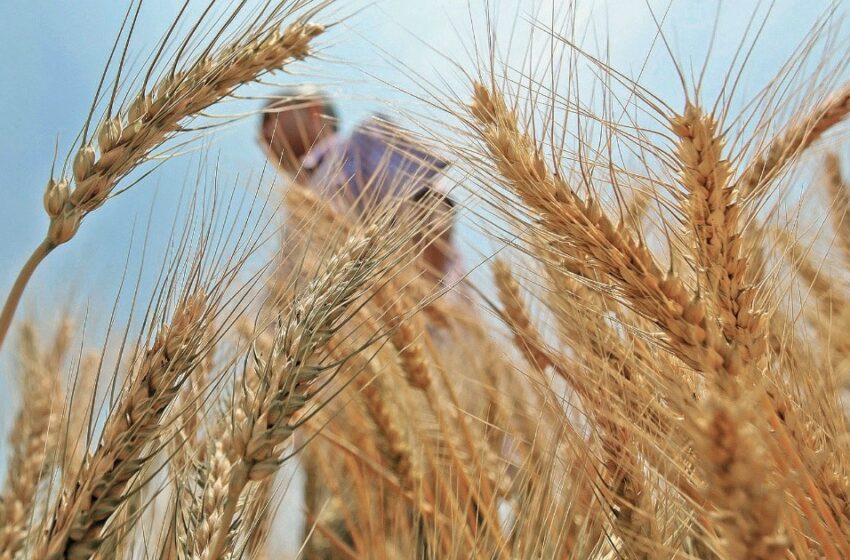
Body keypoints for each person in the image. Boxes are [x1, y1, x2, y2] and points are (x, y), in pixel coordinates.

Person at [259, 86, 461, 290]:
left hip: (417, 316)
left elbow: (431, 207)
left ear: (312, 110)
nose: (263, 135)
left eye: (271, 118)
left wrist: (416, 304)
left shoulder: (362, 142)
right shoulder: (296, 204)